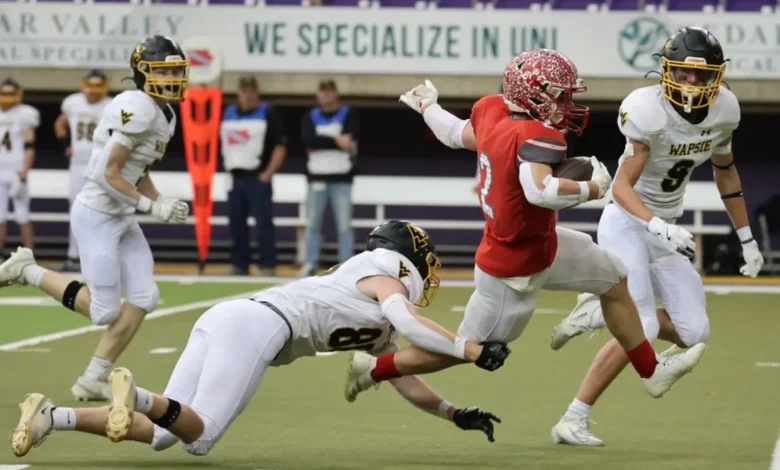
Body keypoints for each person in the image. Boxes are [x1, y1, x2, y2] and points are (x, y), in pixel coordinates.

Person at [343, 49, 707, 406]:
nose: (566, 104)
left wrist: (427, 107)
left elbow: (454, 132)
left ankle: (650, 371)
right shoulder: (536, 134)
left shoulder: (492, 110)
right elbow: (539, 190)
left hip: (540, 243)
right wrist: (592, 189)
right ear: (532, 95)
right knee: (465, 347)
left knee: (613, 276)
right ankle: (373, 369)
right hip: (513, 269)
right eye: (560, 96)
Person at [11, 220, 511, 458]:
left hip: (230, 317)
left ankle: (54, 416)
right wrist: (471, 349)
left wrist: (452, 413)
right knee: (200, 438)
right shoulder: (385, 276)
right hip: (260, 326)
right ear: (408, 256)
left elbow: (400, 373)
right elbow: (410, 322)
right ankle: (137, 395)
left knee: (165, 433)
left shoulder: (374, 306)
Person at [548, 27, 763, 446]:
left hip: (667, 229)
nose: (692, 82)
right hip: (629, 221)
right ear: (667, 71)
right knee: (643, 325)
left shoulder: (725, 110)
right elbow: (621, 188)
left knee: (693, 332)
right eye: (683, 73)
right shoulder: (647, 110)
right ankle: (573, 418)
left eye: (702, 75)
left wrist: (747, 238)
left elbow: (725, 170)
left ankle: (600, 309)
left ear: (717, 75)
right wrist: (657, 224)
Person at [0, 36, 191, 402]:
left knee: (145, 296)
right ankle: (28, 271)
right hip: (98, 214)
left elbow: (137, 171)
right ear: (143, 72)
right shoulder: (137, 107)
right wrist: (151, 207)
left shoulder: (166, 114)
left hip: (122, 215)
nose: (173, 78)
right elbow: (109, 173)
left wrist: (160, 199)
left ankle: (93, 378)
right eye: (164, 71)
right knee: (104, 312)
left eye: (176, 71)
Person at [221, 76, 287, 276]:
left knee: (263, 223)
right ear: (238, 93)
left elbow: (280, 146)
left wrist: (268, 173)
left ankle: (267, 265)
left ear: (257, 92)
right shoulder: (229, 113)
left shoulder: (267, 113)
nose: (247, 95)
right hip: (234, 178)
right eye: (244, 91)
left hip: (257, 177)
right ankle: (239, 264)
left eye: (251, 91)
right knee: (236, 224)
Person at [299, 79, 359, 277]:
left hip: (342, 178)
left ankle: (346, 266)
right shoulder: (310, 116)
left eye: (329, 92)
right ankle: (310, 262)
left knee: (344, 225)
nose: (325, 95)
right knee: (313, 223)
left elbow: (350, 141)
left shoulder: (348, 114)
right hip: (316, 177)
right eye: (322, 92)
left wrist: (321, 142)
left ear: (336, 94)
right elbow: (308, 140)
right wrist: (336, 140)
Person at [54, 69, 112, 272]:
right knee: (76, 210)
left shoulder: (113, 105)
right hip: (78, 164)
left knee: (102, 210)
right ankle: (74, 256)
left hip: (102, 165)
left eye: (98, 86)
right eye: (90, 86)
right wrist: (66, 146)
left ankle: (101, 257)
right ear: (83, 86)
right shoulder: (72, 102)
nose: (93, 91)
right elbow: (60, 125)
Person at [0, 78, 39, 255]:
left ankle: (28, 255)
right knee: (0, 216)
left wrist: (24, 172)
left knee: (22, 214)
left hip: (16, 170)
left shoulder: (25, 113)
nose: (7, 97)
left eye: (11, 93)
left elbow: (30, 146)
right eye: (4, 93)